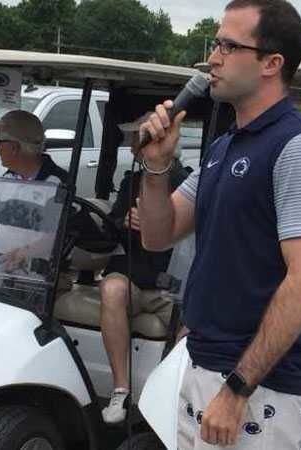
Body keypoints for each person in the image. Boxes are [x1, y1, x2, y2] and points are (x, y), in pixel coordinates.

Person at [138, 1, 301, 448]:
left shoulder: (300, 147)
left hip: (255, 387)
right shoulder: (223, 147)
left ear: (272, 63)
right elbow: (157, 235)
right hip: (204, 365)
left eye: (229, 46)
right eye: (216, 44)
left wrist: (236, 389)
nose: (213, 58)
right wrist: (156, 167)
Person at [99, 114, 189, 424]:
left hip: (170, 283)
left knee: (194, 320)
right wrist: (122, 221)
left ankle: (173, 398)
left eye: (138, 140)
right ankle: (120, 389)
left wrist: (162, 223)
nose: (132, 147)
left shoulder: (186, 183)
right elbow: (111, 224)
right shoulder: (130, 181)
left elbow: (192, 236)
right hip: (135, 274)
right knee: (111, 288)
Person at [0, 110, 67, 271]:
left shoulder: (57, 183)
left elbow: (54, 238)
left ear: (15, 147)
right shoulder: (6, 178)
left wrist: (23, 253)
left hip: (36, 272)